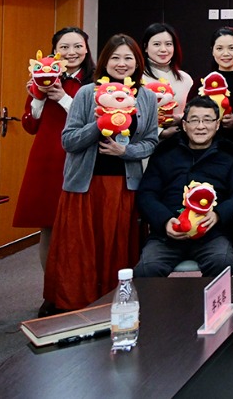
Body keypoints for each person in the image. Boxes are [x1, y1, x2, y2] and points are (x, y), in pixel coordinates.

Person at [44, 34, 159, 312]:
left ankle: (114, 303)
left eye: (128, 58)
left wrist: (125, 151)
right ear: (105, 61)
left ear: (138, 62)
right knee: (79, 247)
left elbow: (151, 141)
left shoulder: (146, 96)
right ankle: (73, 303)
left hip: (123, 187)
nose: (122, 63)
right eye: (115, 57)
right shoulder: (86, 93)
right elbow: (68, 141)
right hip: (85, 185)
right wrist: (99, 125)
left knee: (117, 247)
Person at [16, 27, 94, 317]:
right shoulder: (42, 75)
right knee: (48, 227)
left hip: (81, 158)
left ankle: (81, 290)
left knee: (81, 228)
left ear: (86, 49)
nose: (71, 52)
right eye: (64, 47)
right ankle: (51, 293)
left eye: (78, 46)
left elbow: (93, 121)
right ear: (54, 51)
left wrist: (61, 97)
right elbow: (30, 125)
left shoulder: (94, 81)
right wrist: (37, 96)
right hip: (47, 159)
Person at [133, 97, 233, 279]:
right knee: (147, 268)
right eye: (194, 120)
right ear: (184, 125)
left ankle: (212, 300)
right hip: (168, 234)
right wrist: (165, 221)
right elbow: (146, 194)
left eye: (207, 120)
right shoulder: (165, 152)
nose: (200, 126)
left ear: (217, 125)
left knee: (222, 262)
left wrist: (218, 214)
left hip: (211, 233)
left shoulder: (230, 153)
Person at [141, 22, 194, 139]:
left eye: (168, 44)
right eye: (156, 44)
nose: (163, 49)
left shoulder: (185, 79)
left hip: (182, 140)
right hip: (147, 142)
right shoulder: (138, 78)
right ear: (145, 47)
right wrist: (160, 132)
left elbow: (195, 111)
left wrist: (180, 118)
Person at [207, 26, 233, 149]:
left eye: (231, 48)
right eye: (219, 48)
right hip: (210, 146)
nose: (225, 53)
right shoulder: (203, 82)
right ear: (212, 51)